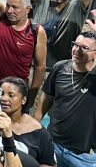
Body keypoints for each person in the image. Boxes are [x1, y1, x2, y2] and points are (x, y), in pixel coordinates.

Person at [35, 31, 96, 167]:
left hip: (83, 154)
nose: (77, 50)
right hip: (53, 143)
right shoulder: (60, 68)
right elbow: (47, 97)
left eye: (84, 48)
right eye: (75, 45)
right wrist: (35, 124)